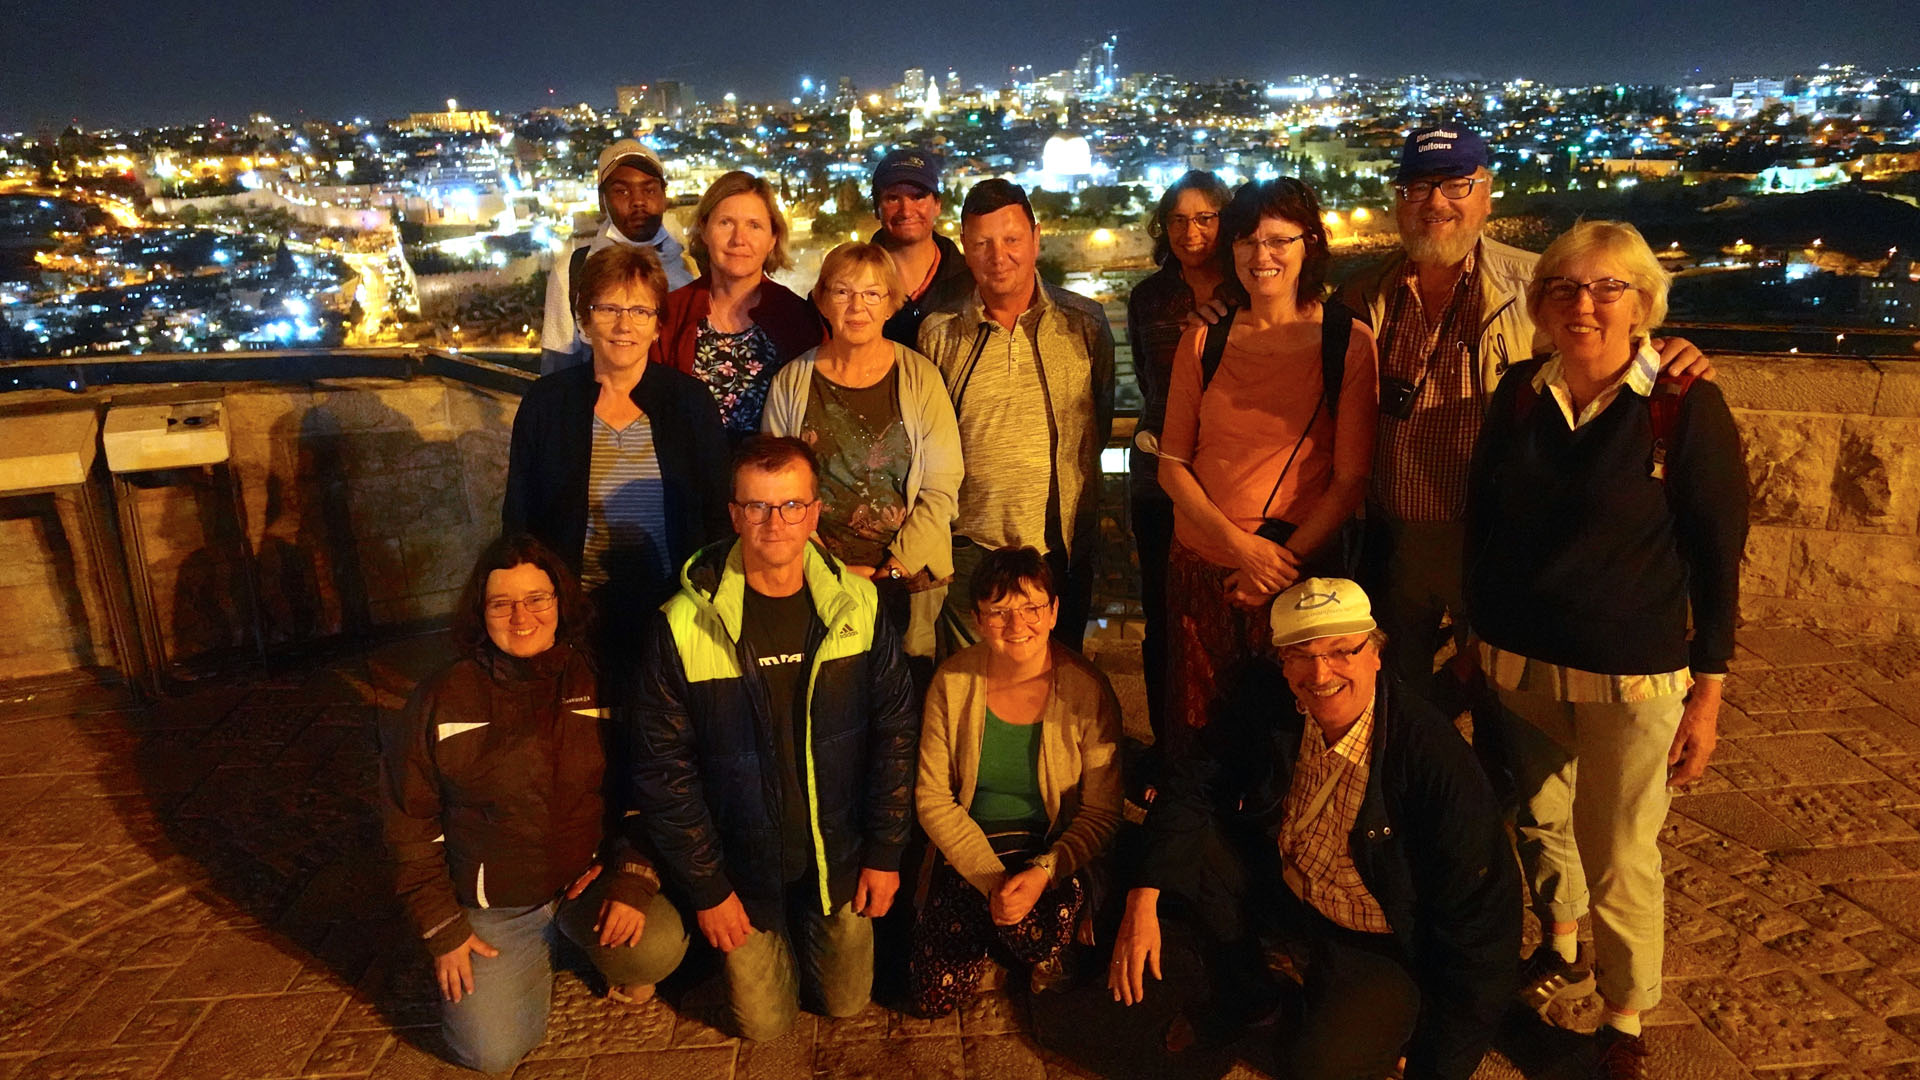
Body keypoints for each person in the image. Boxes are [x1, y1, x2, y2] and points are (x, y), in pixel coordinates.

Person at [1464, 220, 1747, 1079]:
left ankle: (1624, 1020)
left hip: (1635, 673)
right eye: (1565, 288)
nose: (1584, 304)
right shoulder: (1519, 393)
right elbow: (1484, 522)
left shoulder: (1682, 404)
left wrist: (1711, 689)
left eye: (1607, 287)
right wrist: (1479, 633)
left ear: (1643, 302)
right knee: (1542, 815)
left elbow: (1717, 550)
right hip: (1521, 660)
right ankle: (1561, 942)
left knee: (1622, 848)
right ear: (1541, 304)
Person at [1337, 125, 1710, 705]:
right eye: (1418, 188)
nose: (1436, 203)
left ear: (1486, 194)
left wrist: (1668, 350)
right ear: (1399, 202)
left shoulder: (1535, 285)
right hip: (1395, 541)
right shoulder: (1364, 293)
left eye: (1456, 184)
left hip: (1498, 539)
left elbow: (1605, 340)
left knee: (1502, 705)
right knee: (1394, 699)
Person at [1110, 578, 1518, 1080]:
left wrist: (1439, 1064)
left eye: (1341, 651)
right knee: (1194, 851)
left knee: (1314, 1067)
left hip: (1376, 933)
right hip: (1294, 884)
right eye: (1301, 654)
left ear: (1376, 654)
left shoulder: (1433, 762)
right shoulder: (1266, 697)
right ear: (1282, 661)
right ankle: (1251, 1000)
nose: (1321, 673)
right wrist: (1143, 895)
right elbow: (1193, 779)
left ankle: (1384, 1016)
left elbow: (1482, 930)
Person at [632, 436, 919, 1041]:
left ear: (814, 511)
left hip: (835, 854)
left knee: (845, 1004)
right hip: (743, 867)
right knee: (763, 1028)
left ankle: (810, 927)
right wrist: (710, 888)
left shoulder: (860, 606)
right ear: (734, 513)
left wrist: (884, 854)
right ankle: (770, 930)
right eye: (757, 507)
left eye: (791, 505)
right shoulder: (682, 624)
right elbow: (664, 769)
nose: (775, 522)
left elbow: (895, 736)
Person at [378, 534, 689, 1074]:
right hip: (494, 908)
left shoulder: (602, 681)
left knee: (656, 945)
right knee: (489, 1053)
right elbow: (408, 821)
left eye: (537, 598)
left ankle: (581, 946)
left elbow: (646, 788)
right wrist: (442, 930)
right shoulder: (441, 697)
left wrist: (631, 876)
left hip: (582, 883)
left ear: (561, 602)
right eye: (502, 603)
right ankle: (539, 955)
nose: (521, 616)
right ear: (482, 611)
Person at [1157, 177, 1378, 737]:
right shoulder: (1204, 340)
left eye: (1280, 241)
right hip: (1204, 567)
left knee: (1294, 725)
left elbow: (1351, 479)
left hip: (1296, 571)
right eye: (1248, 242)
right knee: (1202, 725)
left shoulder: (1345, 343)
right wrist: (1241, 551)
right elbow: (1173, 464)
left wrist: (1274, 563)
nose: (1263, 257)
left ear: (1310, 246)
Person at [504, 244, 730, 703]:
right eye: (607, 308)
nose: (624, 325)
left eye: (640, 310)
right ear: (583, 320)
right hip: (575, 607)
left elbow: (716, 512)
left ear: (657, 324)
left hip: (673, 605)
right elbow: (519, 515)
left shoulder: (688, 402)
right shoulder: (548, 404)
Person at [909, 545, 1123, 1016]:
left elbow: (1102, 811)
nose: (1018, 625)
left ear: (1054, 612)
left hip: (1050, 847)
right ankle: (997, 931)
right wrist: (992, 881)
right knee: (933, 996)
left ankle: (1028, 939)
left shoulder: (1087, 690)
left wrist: (1043, 873)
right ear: (978, 619)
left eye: (1032, 608)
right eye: (1000, 612)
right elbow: (932, 797)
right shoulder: (953, 681)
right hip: (972, 849)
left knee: (1038, 938)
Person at [916, 179, 1114, 653]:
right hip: (968, 549)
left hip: (1058, 548)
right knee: (974, 687)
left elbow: (1098, 425)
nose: (998, 255)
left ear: (1036, 238)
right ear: (964, 246)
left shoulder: (1083, 323)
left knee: (1058, 683)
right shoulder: (939, 332)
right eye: (982, 242)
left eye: (1011, 240)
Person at [761, 241, 963, 666]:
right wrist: (830, 570)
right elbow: (774, 491)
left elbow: (942, 487)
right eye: (842, 292)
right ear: (821, 300)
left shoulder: (921, 378)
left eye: (872, 293)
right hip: (813, 578)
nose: (857, 306)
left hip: (909, 583)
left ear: (891, 303)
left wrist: (891, 571)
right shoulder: (790, 383)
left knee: (906, 705)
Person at [1126, 169, 1231, 749]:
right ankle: (1172, 747)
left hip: (1229, 472)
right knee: (1163, 613)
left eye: (1205, 217)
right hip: (1157, 469)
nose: (1191, 231)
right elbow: (1149, 382)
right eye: (1179, 219)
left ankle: (1225, 747)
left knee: (1225, 613)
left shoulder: (1248, 292)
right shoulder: (1148, 298)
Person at [653, 171, 824, 438]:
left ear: (773, 239)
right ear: (704, 229)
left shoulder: (797, 319)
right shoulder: (670, 314)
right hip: (689, 476)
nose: (739, 239)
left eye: (754, 225)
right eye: (726, 223)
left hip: (773, 475)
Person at [541, 139, 694, 374]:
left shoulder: (692, 265)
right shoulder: (575, 270)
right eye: (621, 191)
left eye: (649, 189)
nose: (638, 202)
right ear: (603, 201)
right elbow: (558, 368)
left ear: (664, 196)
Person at [866, 147, 973, 347]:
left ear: (937, 205)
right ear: (876, 209)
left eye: (918, 197)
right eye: (893, 198)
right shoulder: (849, 286)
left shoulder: (973, 284)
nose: (906, 211)